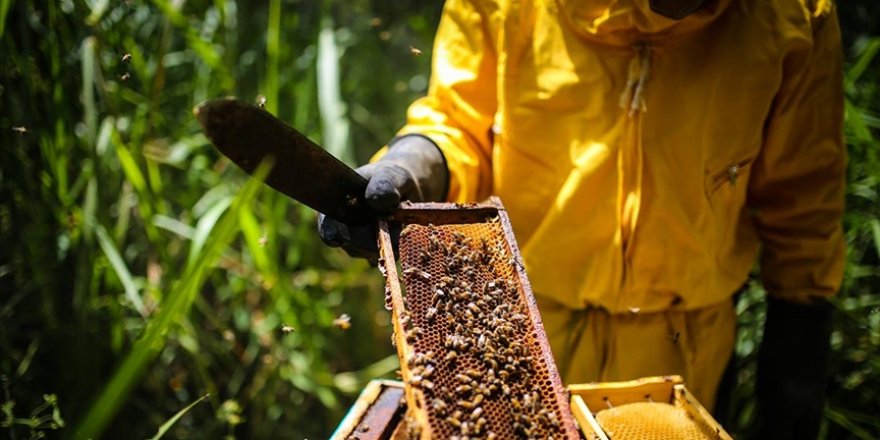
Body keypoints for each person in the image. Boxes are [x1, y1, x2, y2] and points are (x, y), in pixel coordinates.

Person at [319, 0, 845, 438]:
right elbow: (460, 122)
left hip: (685, 350)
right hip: (516, 332)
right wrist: (414, 166)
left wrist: (797, 366)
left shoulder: (793, 17)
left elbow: (803, 200)